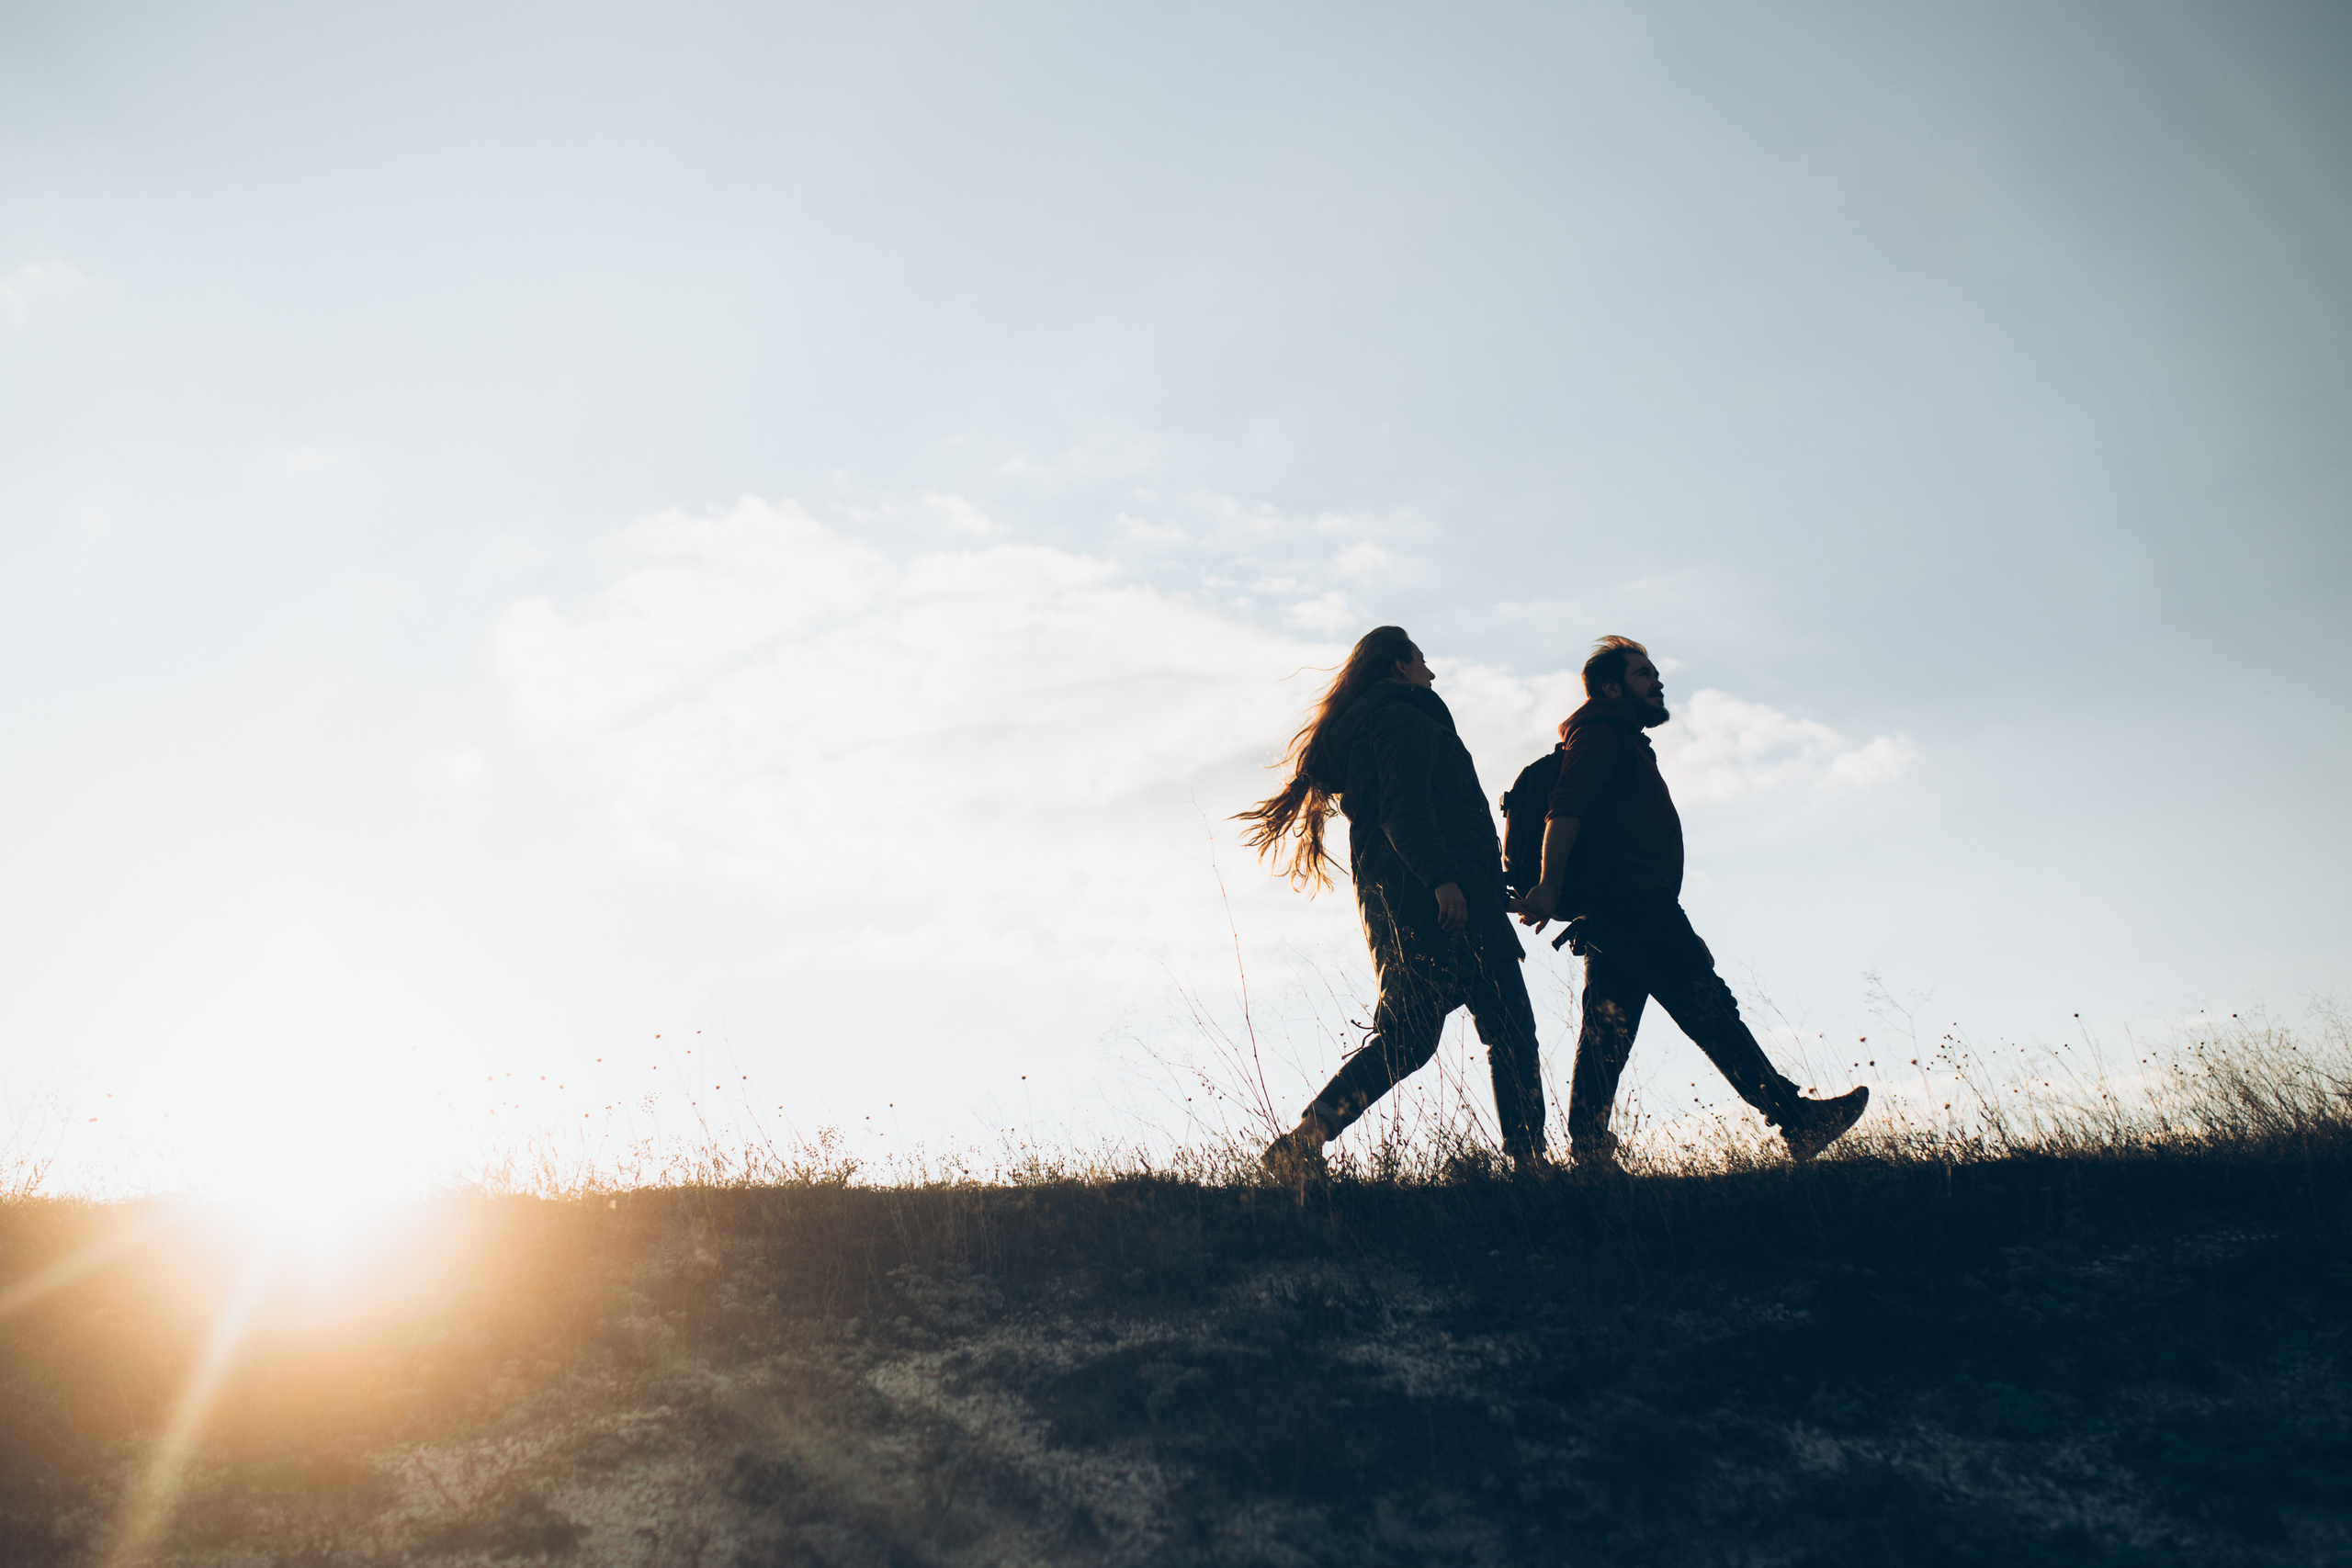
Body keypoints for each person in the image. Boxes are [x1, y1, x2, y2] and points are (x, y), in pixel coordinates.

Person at [1511, 636, 1869, 1170]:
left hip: (1628, 909)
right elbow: (1566, 808)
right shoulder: (1602, 733)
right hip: (1633, 906)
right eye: (1643, 674)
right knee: (1708, 1008)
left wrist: (1677, 923)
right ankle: (1796, 1120)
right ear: (1612, 688)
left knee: (1608, 1030)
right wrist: (1549, 885)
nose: (1657, 683)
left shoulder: (1621, 739)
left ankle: (1588, 1151)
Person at [1237, 626, 1547, 1179]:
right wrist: (1443, 880)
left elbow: (1436, 815)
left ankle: (1305, 1140)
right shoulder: (1403, 716)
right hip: (1438, 897)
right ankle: (1529, 1162)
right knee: (1508, 1028)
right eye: (1423, 661)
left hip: (1420, 896)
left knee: (1411, 1038)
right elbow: (1403, 810)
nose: (1432, 672)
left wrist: (1484, 884)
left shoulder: (1381, 721)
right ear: (1400, 666)